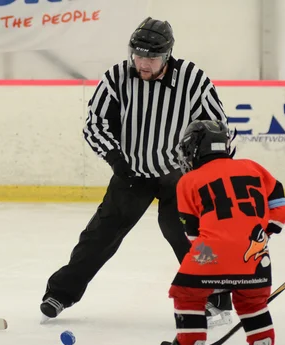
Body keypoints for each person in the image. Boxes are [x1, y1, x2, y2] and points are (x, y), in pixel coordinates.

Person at [40, 17, 234, 325]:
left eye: (151, 57)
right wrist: (117, 160)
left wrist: (208, 170)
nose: (142, 63)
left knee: (187, 236)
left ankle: (215, 297)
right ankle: (61, 293)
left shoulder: (193, 80)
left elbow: (219, 129)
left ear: (167, 55)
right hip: (132, 173)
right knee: (100, 235)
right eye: (138, 55)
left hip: (179, 179)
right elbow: (95, 124)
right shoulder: (118, 77)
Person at [157, 120, 285, 345]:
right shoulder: (253, 167)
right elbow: (278, 194)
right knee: (253, 303)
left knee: (186, 294)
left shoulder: (188, 181)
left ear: (194, 149)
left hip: (212, 252)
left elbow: (193, 234)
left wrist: (212, 274)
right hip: (256, 252)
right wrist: (269, 231)